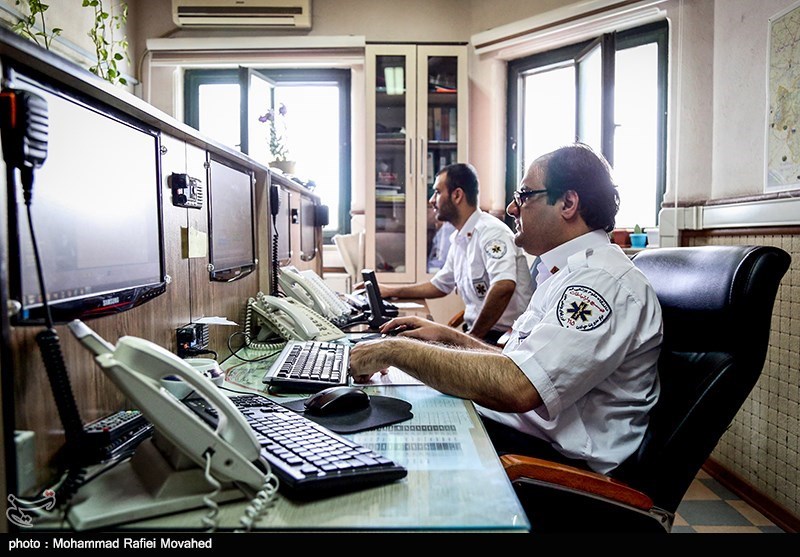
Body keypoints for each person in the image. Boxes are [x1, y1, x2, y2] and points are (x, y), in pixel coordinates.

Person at [349, 143, 663, 475]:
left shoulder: (600, 283)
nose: (512, 207)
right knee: (392, 409)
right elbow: (519, 364)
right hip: (523, 433)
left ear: (568, 203)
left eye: (524, 196)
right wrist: (448, 337)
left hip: (555, 463)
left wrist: (397, 351)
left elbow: (519, 386)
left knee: (388, 434)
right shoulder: (565, 274)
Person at [368, 163, 534, 345]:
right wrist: (391, 291)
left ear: (457, 195)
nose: (432, 200)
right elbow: (439, 286)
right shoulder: (459, 238)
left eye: (437, 192)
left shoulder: (491, 232)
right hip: (480, 333)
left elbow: (503, 286)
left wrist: (469, 341)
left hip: (502, 338)